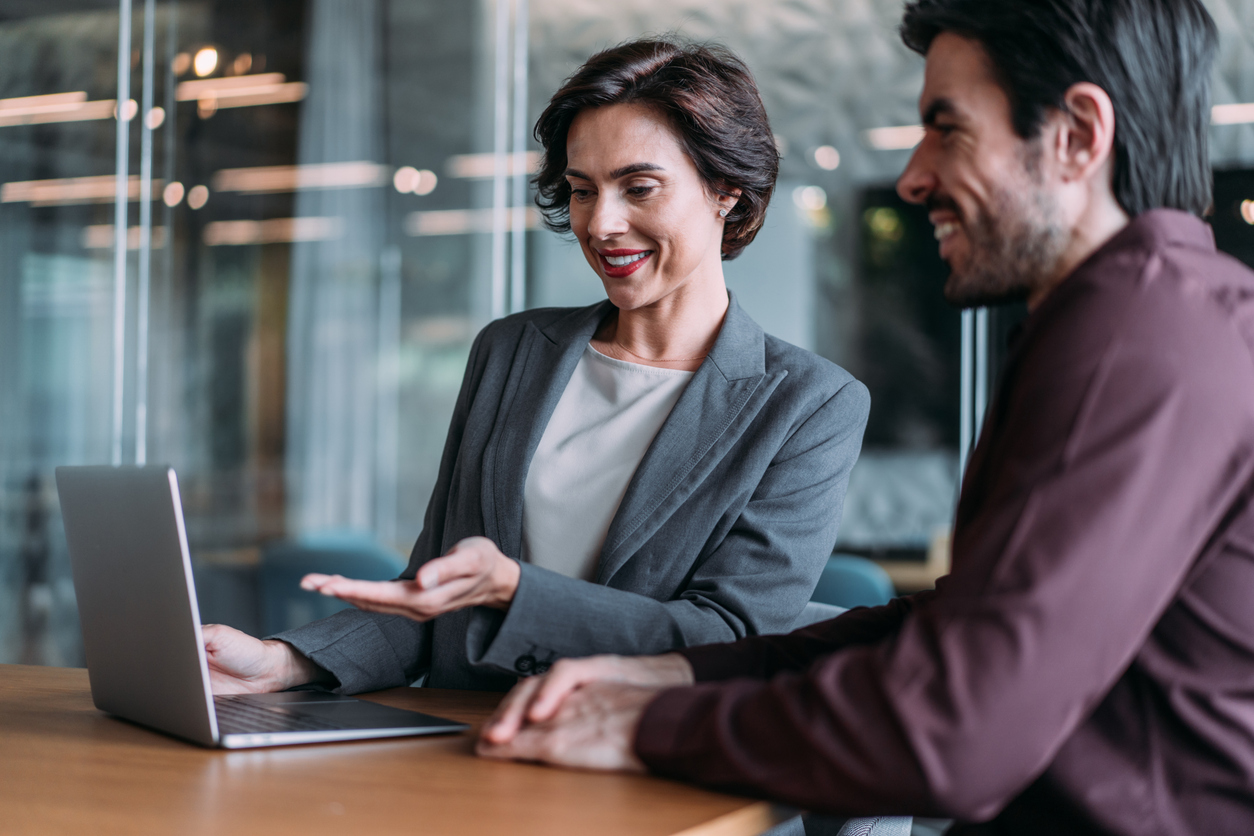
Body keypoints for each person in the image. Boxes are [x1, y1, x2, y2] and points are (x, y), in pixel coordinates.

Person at [476, 1, 1254, 833]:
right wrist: (680, 675)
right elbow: (959, 627)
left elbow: (952, 734)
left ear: (1076, 135)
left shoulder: (1141, 339)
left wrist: (645, 725)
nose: (915, 176)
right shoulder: (1148, 319)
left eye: (946, 129)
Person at [201, 39, 870, 696]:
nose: (602, 224)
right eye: (582, 191)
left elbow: (727, 642)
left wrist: (515, 590)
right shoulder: (512, 352)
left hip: (647, 764)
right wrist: (282, 661)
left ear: (725, 191)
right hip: (468, 750)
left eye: (638, 187)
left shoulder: (809, 405)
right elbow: (433, 600)